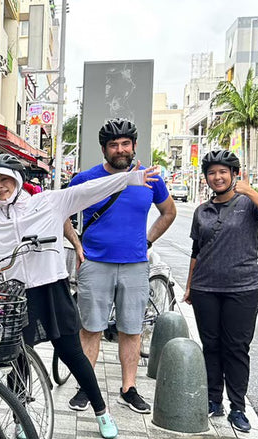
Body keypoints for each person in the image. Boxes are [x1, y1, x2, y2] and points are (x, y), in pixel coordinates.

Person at [0, 154, 163, 439]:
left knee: (72, 353)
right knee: (18, 357)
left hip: (51, 289)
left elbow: (89, 191)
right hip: (13, 295)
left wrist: (131, 178)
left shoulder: (48, 202)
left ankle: (101, 410)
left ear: (19, 181)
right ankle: (21, 417)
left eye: (5, 180)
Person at [67, 118, 176, 415]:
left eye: (125, 144)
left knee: (131, 329)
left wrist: (148, 241)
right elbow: (60, 210)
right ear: (104, 149)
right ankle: (85, 387)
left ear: (134, 146)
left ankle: (129, 389)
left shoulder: (149, 178)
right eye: (113, 145)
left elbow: (169, 212)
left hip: (135, 265)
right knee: (90, 329)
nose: (120, 149)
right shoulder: (86, 178)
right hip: (95, 264)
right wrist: (77, 244)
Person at [184, 150, 258, 432]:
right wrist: (190, 284)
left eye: (223, 172)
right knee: (211, 346)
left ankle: (238, 408)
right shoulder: (201, 211)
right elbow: (196, 250)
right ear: (206, 178)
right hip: (205, 288)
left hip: (243, 288)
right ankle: (213, 400)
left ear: (234, 175)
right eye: (212, 173)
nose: (217, 177)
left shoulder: (248, 204)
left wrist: (251, 191)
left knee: (236, 348)